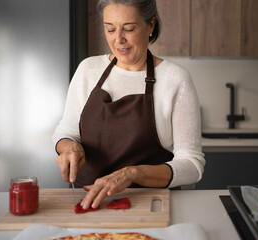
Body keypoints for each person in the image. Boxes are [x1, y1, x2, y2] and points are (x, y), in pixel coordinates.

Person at [52, 0, 205, 210]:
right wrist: (69, 146)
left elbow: (192, 165)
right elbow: (66, 131)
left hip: (151, 207)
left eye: (129, 28)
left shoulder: (175, 79)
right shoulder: (88, 70)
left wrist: (134, 173)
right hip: (88, 204)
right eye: (110, 29)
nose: (118, 40)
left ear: (150, 25)